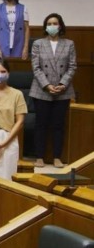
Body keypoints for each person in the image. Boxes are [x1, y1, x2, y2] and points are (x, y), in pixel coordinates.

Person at [29, 13, 76, 168]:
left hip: (63, 90)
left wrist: (63, 84)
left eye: (55, 23)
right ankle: (39, 157)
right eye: (49, 23)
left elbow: (72, 66)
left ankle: (57, 157)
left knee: (58, 125)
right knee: (41, 124)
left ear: (60, 26)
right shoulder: (38, 43)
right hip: (42, 90)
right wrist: (47, 85)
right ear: (45, 27)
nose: (52, 26)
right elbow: (36, 68)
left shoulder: (69, 44)